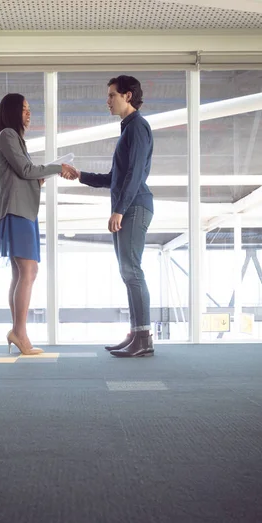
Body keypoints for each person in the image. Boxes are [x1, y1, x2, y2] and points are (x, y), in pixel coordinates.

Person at [68, 75, 154, 357]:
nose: (107, 101)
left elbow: (134, 175)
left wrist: (119, 210)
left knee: (132, 271)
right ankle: (136, 334)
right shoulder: (128, 130)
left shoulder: (138, 128)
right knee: (127, 272)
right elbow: (114, 178)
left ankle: (143, 338)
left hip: (134, 207)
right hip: (128, 206)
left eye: (111, 95)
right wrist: (80, 175)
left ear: (127, 96)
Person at [0, 93, 74, 355]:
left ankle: (19, 331)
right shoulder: (7, 135)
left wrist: (43, 175)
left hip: (22, 209)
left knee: (21, 272)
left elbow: (23, 175)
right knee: (28, 270)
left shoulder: (15, 139)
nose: (29, 113)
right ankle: (19, 333)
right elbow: (26, 171)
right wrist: (56, 168)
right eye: (24, 109)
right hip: (16, 210)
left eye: (29, 108)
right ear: (12, 111)